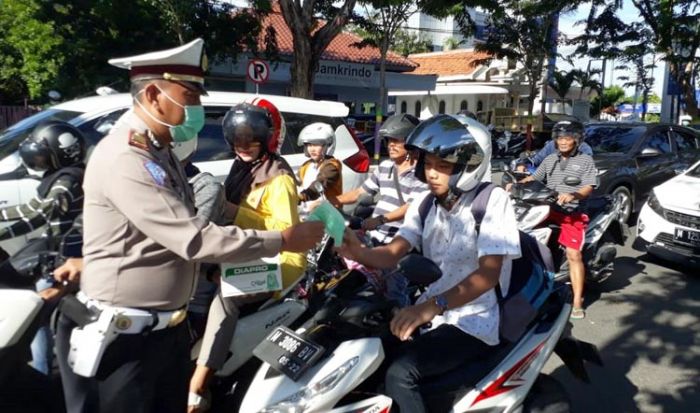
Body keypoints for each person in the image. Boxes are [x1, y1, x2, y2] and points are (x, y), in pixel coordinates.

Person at [55, 39, 324, 413]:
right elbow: (194, 237)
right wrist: (284, 239)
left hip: (164, 333)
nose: (197, 108)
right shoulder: (127, 157)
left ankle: (203, 375)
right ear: (153, 94)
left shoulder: (160, 153)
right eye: (190, 96)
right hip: (126, 340)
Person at [338, 114, 521, 413]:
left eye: (444, 167)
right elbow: (393, 251)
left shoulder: (491, 199)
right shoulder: (425, 203)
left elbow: (488, 275)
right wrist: (356, 251)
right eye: (429, 164)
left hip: (472, 319)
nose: (433, 174)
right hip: (430, 311)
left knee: (401, 375)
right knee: (368, 355)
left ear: (468, 167)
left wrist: (431, 306)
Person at [188, 99, 307, 411]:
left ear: (266, 140)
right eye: (237, 140)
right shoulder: (241, 167)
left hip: (281, 262)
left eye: (251, 140)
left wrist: (235, 211)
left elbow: (287, 232)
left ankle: (201, 380)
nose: (243, 146)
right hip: (248, 251)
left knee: (227, 294)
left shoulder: (278, 177)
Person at [0, 121, 86, 374]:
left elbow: (39, 214)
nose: (38, 162)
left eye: (42, 157)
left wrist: (3, 231)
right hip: (57, 255)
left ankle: (42, 373)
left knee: (39, 318)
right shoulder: (61, 177)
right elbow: (32, 207)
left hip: (62, 262)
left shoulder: (67, 182)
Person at [517, 120, 597, 319]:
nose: (562, 142)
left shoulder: (586, 160)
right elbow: (535, 177)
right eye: (559, 138)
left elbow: (589, 186)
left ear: (577, 140)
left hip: (572, 213)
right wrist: (516, 183)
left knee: (573, 255)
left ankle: (578, 301)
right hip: (548, 207)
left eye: (567, 138)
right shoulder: (550, 157)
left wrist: (574, 195)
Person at [335, 114, 427, 245]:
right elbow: (359, 193)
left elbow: (409, 208)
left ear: (411, 143)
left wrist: (380, 220)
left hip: (400, 240)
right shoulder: (385, 167)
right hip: (374, 235)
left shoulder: (421, 173)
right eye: (389, 140)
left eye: (396, 140)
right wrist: (332, 201)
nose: (391, 145)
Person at [297, 122, 343, 210]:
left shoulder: (332, 165)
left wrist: (301, 196)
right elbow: (295, 181)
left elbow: (321, 182)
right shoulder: (306, 166)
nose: (312, 149)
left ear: (328, 145)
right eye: (309, 145)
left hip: (328, 214)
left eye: (317, 144)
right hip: (307, 213)